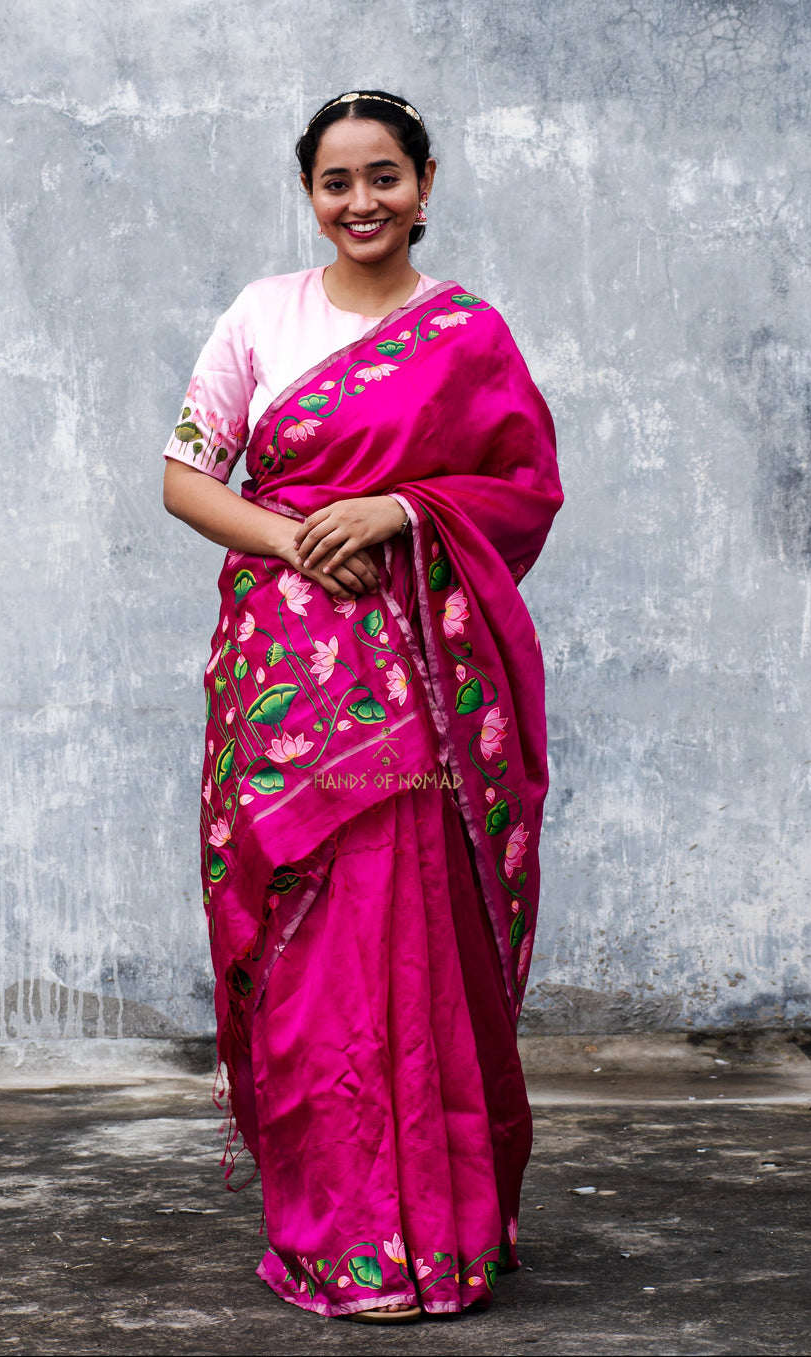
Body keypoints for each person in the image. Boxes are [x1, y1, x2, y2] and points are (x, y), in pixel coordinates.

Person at [161, 89, 563, 1324]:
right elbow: (184, 477)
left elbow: (525, 485)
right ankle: (338, 1238)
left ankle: (437, 1235)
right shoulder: (260, 317)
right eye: (336, 183)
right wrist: (295, 537)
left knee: (415, 943)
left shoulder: (466, 333)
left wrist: (398, 511)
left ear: (426, 184)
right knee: (308, 950)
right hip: (288, 675)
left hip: (421, 681)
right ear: (310, 195)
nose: (361, 203)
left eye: (383, 176)